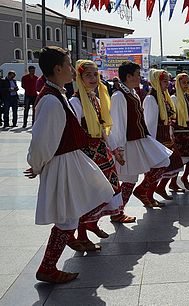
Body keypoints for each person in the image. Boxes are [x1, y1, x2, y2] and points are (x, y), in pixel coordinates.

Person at [25, 46, 114, 283]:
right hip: (62, 164)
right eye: (68, 64)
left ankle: (51, 263)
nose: (72, 70)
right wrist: (36, 164)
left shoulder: (57, 94)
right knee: (67, 217)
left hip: (69, 162)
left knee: (74, 212)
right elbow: (43, 139)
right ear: (58, 69)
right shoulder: (52, 100)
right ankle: (48, 267)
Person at [68, 60, 126, 250]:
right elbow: (72, 133)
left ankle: (91, 225)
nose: (93, 79)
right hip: (87, 156)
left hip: (102, 153)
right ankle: (82, 235)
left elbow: (103, 129)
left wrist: (114, 149)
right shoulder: (75, 102)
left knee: (104, 191)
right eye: (88, 75)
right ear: (79, 78)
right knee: (89, 195)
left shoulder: (96, 98)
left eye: (95, 75)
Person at [108, 61, 174, 210]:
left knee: (163, 161)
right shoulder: (119, 95)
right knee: (130, 179)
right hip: (128, 142)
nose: (140, 78)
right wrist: (119, 149)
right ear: (129, 76)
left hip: (141, 139)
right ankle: (118, 211)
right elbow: (118, 124)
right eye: (138, 75)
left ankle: (141, 192)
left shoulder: (132, 93)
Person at [143, 69, 184, 200]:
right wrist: (152, 145)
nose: (168, 83)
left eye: (168, 81)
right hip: (158, 140)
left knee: (175, 164)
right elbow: (149, 123)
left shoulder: (163, 96)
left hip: (166, 137)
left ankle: (159, 189)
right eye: (164, 81)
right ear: (156, 81)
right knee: (157, 169)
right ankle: (148, 195)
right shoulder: (151, 98)